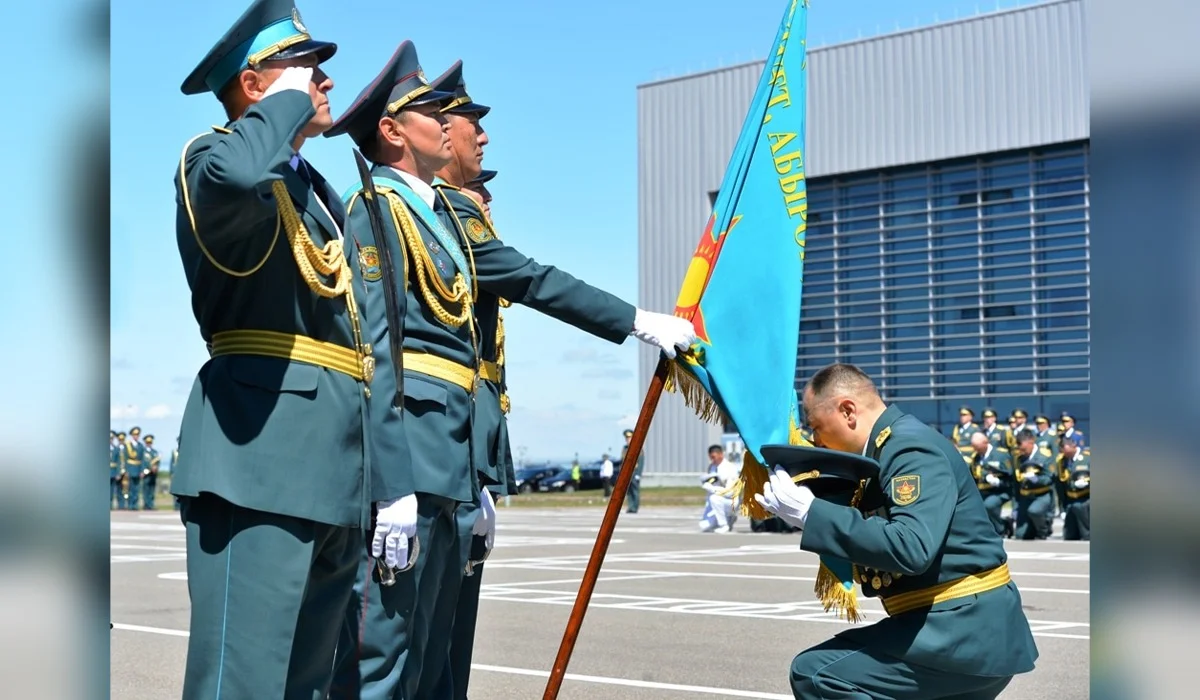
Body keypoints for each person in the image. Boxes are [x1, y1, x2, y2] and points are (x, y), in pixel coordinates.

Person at [421, 57, 696, 698]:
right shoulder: (447, 221)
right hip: (438, 446)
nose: (482, 139)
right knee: (423, 640)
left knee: (448, 640)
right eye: (469, 124)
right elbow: (536, 280)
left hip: (465, 449)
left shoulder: (459, 217)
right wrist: (638, 321)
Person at [170, 2, 393, 697]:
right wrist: (281, 104)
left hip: (332, 466)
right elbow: (236, 177)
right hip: (257, 462)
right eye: (306, 70)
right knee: (241, 682)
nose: (325, 83)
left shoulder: (316, 190)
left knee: (305, 685)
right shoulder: (217, 157)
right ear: (255, 86)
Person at [756, 363, 1038, 699]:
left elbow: (911, 547)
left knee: (817, 674)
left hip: (962, 631)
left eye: (816, 426)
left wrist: (810, 513)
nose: (815, 439)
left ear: (848, 410)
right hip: (955, 629)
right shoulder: (884, 450)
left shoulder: (908, 449)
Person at [968, 432, 1013, 536]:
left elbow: (1010, 475)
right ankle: (986, 530)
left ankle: (1001, 529)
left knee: (989, 505)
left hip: (1000, 490)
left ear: (985, 442)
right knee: (972, 506)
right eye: (974, 447)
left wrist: (998, 482)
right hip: (983, 490)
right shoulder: (976, 458)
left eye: (977, 447)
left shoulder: (1001, 454)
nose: (975, 450)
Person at [1013, 429, 1055, 540]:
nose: (1022, 451)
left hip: (1042, 494)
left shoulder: (1044, 456)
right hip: (1025, 496)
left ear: (1031, 442)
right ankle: (1033, 528)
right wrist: (1015, 507)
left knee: (1034, 511)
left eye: (1024, 448)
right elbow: (1016, 484)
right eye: (1020, 448)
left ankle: (1044, 529)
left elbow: (1050, 478)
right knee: (1020, 535)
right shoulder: (1019, 459)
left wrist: (1036, 479)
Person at [699, 444, 739, 533]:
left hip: (731, 501)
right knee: (704, 526)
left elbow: (730, 492)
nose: (712, 459)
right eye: (710, 457)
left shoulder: (730, 468)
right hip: (718, 501)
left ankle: (724, 525)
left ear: (721, 454)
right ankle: (728, 518)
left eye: (714, 457)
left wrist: (712, 489)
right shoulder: (712, 467)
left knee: (714, 498)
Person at [1058, 437, 1091, 540]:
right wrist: (1062, 509)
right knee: (1069, 536)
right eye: (1064, 452)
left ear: (1074, 446)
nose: (1066, 454)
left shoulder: (1087, 458)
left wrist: (1087, 482)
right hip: (1071, 498)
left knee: (1079, 507)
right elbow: (1061, 485)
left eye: (1067, 451)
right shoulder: (1062, 461)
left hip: (1086, 496)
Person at [620, 428, 646, 513]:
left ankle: (635, 507)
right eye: (626, 438)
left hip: (635, 472)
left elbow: (641, 462)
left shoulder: (638, 448)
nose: (628, 440)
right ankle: (630, 507)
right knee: (629, 491)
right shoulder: (625, 448)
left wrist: (638, 474)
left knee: (635, 491)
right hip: (627, 473)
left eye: (629, 438)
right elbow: (622, 462)